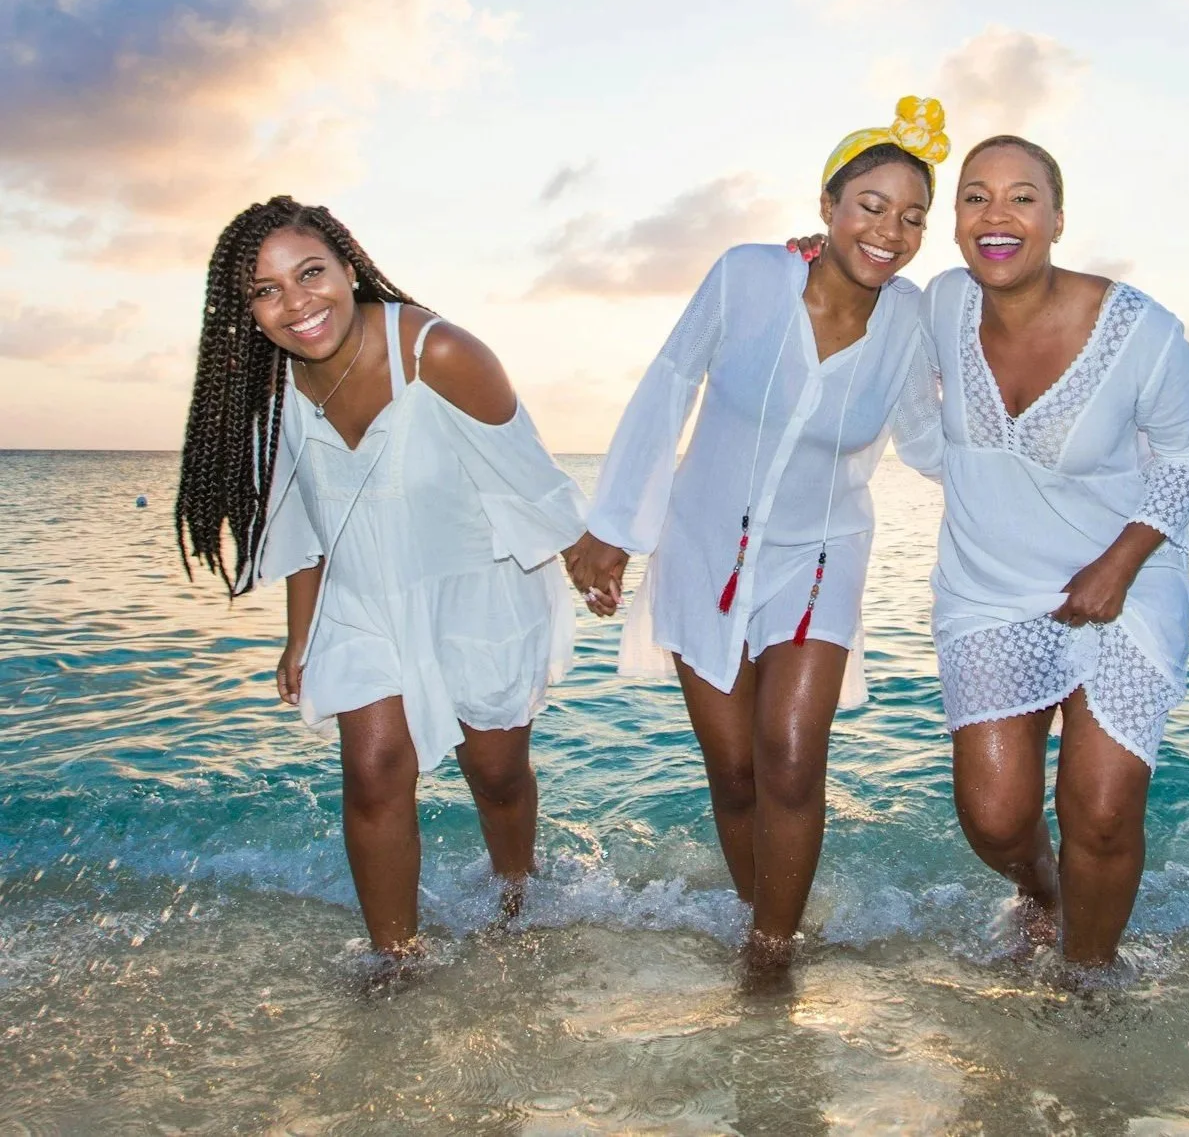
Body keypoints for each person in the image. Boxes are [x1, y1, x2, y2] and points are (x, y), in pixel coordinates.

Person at [792, 134, 1189, 967]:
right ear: (953, 222)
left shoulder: (1141, 330)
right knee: (993, 817)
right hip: (989, 587)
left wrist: (1120, 562)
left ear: (1057, 218)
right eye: (976, 196)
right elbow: (858, 285)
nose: (998, 215)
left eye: (1022, 197)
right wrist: (808, 257)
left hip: (1122, 582)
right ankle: (1046, 892)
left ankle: (1087, 976)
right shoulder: (940, 303)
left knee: (1099, 809)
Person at [566, 97, 949, 970]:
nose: (890, 230)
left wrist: (1040, 486)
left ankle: (771, 957)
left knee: (787, 755)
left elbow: (928, 439)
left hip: (822, 553)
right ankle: (759, 912)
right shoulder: (744, 275)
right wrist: (615, 528)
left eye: (913, 216)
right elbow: (668, 385)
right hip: (704, 548)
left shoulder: (912, 319)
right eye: (871, 205)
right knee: (735, 770)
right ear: (827, 205)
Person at [176, 196, 587, 955]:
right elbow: (308, 522)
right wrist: (299, 636)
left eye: (310, 273)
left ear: (348, 267)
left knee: (496, 775)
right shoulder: (274, 389)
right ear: (246, 311)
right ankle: (393, 960)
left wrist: (593, 557)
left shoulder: (442, 353)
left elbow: (534, 484)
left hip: (478, 589)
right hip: (363, 597)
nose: (297, 303)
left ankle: (518, 897)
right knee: (372, 773)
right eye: (266, 290)